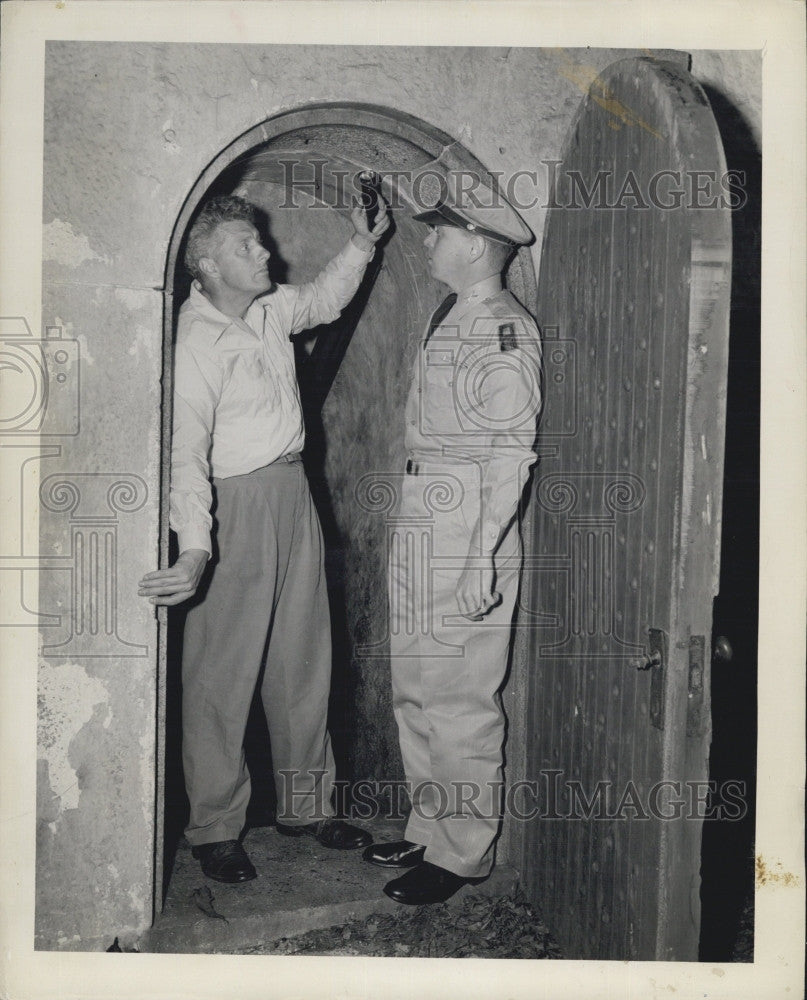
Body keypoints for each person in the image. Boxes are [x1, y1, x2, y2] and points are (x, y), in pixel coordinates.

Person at [138, 190, 390, 883]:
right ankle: (215, 825)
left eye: (261, 242)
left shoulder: (269, 312)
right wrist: (195, 547)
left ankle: (307, 806)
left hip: (291, 492)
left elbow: (323, 300)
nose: (266, 253)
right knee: (222, 674)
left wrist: (361, 245)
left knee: (303, 658)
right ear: (206, 264)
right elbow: (183, 455)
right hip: (234, 505)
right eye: (248, 245)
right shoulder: (195, 345)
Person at [362, 174, 542, 904]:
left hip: (467, 522)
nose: (428, 240)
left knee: (460, 696)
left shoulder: (504, 328)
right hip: (424, 509)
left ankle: (461, 854)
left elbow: (509, 453)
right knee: (414, 685)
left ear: (473, 242)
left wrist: (479, 558)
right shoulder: (452, 311)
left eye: (439, 231)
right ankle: (429, 824)